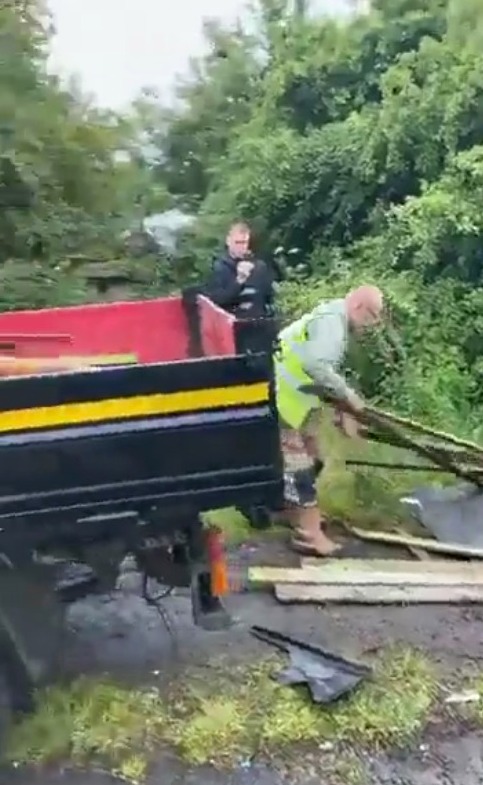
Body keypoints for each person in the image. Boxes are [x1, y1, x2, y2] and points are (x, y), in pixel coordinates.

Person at [275, 285, 384, 557]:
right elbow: (316, 366)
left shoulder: (332, 317)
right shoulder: (332, 325)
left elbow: (317, 372)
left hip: (298, 398)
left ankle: (294, 517)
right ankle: (310, 535)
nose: (371, 325)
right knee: (299, 467)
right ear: (359, 306)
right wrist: (349, 397)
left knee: (314, 459)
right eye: (372, 316)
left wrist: (342, 408)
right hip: (283, 399)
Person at [204, 222, 275, 319]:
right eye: (237, 242)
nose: (241, 247)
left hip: (259, 322)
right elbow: (216, 301)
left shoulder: (259, 266)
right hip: (234, 324)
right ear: (228, 241)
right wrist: (239, 281)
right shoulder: (219, 267)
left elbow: (268, 297)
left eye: (244, 242)